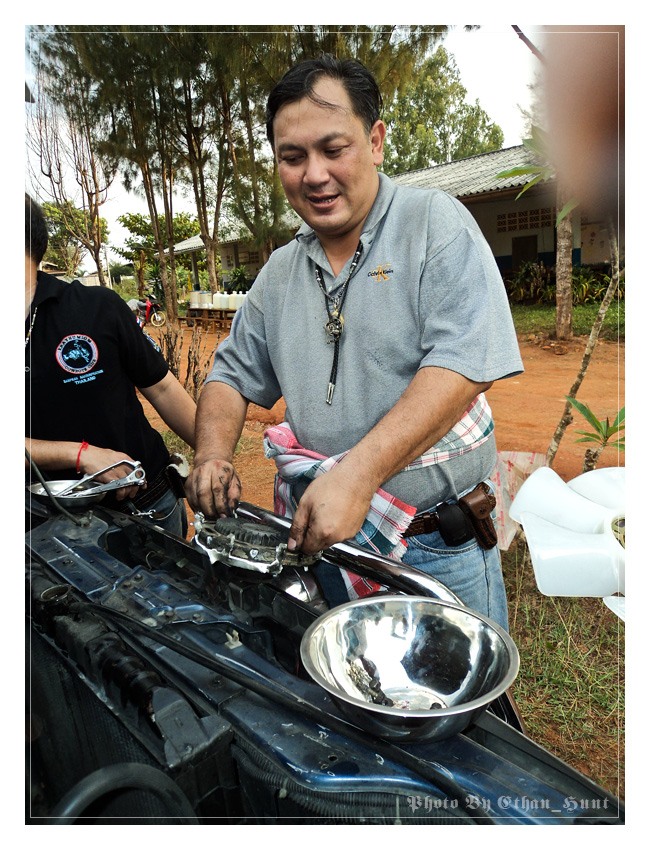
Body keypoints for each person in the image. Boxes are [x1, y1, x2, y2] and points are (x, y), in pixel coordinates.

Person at [185, 55, 524, 628]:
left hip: (434, 546)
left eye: (333, 149)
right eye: (293, 157)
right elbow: (230, 375)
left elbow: (464, 363)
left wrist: (358, 476)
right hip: (320, 540)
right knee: (337, 679)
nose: (314, 174)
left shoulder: (433, 224)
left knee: (451, 688)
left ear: (375, 141)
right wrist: (213, 454)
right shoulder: (279, 272)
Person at [25, 195, 196, 537]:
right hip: (44, 525)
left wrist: (214, 453)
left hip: (148, 507)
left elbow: (162, 388)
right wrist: (79, 455)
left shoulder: (96, 307)